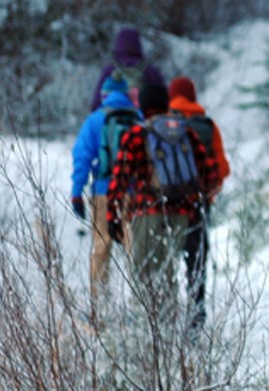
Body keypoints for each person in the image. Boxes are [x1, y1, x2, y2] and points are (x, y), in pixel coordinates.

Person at [106, 84, 220, 316]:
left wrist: (113, 219)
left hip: (147, 214)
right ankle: (175, 336)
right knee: (170, 273)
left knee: (146, 279)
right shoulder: (186, 132)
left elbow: (119, 180)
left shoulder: (137, 134)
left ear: (144, 106)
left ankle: (151, 338)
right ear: (166, 103)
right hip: (183, 217)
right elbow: (211, 175)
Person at [169, 76, 230, 331]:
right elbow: (223, 169)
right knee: (196, 261)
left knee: (163, 262)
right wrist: (209, 192)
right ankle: (196, 315)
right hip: (198, 204)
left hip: (168, 205)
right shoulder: (207, 125)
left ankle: (162, 317)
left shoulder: (164, 123)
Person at [71, 74, 141, 300]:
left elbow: (82, 157)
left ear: (105, 95)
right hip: (132, 192)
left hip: (103, 191)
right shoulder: (138, 118)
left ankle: (99, 306)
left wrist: (76, 193)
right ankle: (141, 304)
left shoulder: (95, 120)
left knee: (102, 245)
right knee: (135, 249)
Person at [90, 27, 166, 112]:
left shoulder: (109, 70)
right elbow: (163, 102)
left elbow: (96, 103)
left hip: (113, 119)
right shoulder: (151, 71)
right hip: (142, 120)